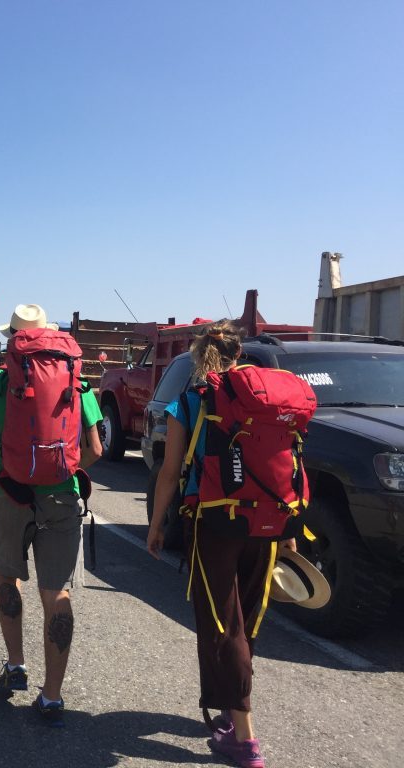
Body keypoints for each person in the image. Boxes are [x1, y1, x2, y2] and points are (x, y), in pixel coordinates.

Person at [147, 320, 289, 768]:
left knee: (221, 623)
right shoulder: (267, 402)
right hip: (266, 523)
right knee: (244, 622)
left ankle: (244, 739)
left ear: (198, 355)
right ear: (239, 355)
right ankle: (230, 710)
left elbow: (170, 473)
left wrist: (156, 525)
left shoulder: (189, 401)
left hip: (213, 522)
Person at [0, 303, 103, 728]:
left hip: (9, 494)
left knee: (8, 577)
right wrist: (63, 474)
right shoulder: (79, 384)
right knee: (57, 592)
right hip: (61, 498)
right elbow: (96, 450)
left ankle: (17, 664)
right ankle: (53, 696)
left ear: (13, 341)